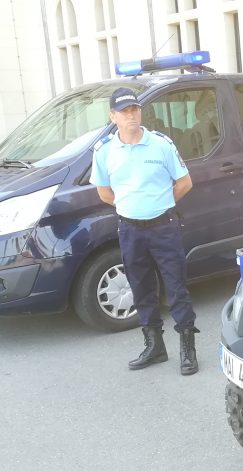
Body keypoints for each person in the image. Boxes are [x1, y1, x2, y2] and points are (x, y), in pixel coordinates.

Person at [91, 88, 199, 375]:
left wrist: (160, 203)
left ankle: (187, 348)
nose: (131, 115)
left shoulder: (161, 144)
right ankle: (155, 347)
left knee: (176, 287)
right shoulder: (104, 151)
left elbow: (185, 183)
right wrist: (130, 206)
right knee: (141, 288)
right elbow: (104, 192)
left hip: (163, 226)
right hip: (130, 230)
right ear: (113, 116)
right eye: (124, 111)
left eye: (134, 109)